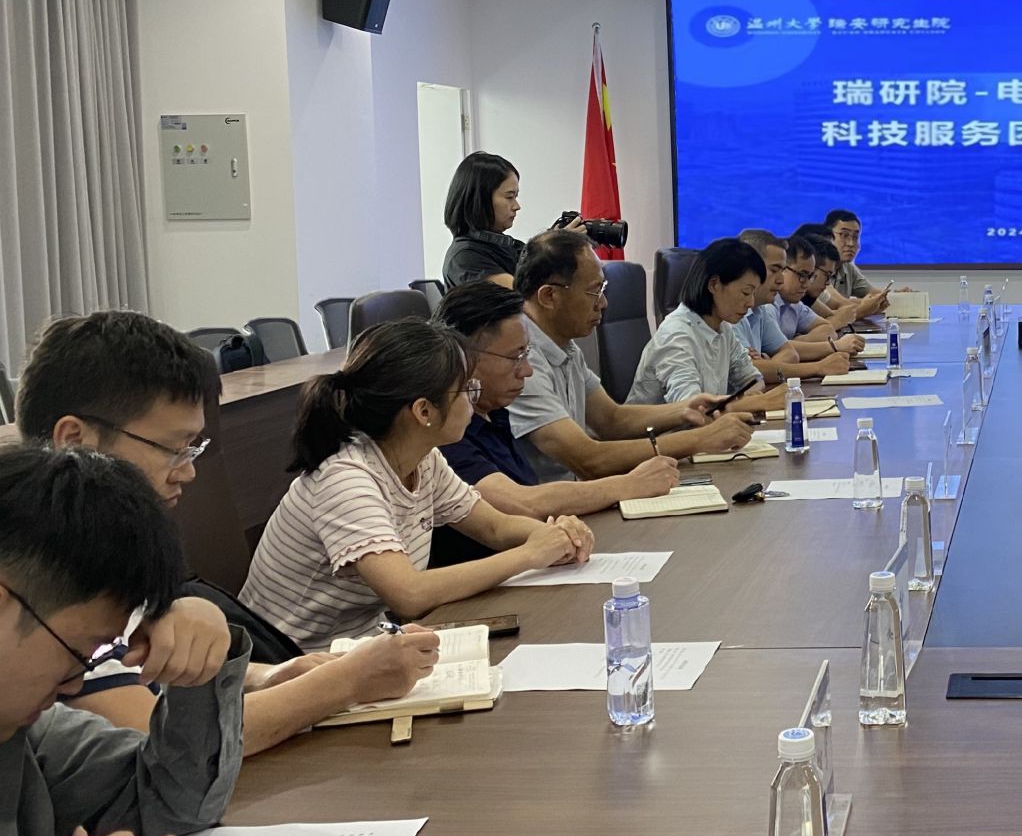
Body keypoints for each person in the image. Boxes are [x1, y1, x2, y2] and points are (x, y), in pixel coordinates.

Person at [15, 312, 441, 749]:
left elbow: (144, 677)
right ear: (75, 441)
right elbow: (159, 745)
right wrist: (347, 681)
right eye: (172, 448)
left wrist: (268, 676)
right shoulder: (42, 577)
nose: (188, 472)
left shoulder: (114, 550)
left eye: (192, 448)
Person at [0, 447, 247, 836]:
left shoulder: (23, 732)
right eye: (78, 651)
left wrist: (198, 669)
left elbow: (170, 807)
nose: (75, 686)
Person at [239, 319, 591, 648]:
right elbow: (409, 594)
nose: (473, 399)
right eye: (466, 389)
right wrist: (529, 554)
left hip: (363, 646)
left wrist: (556, 536)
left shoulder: (424, 460)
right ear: (424, 412)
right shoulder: (346, 480)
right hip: (296, 660)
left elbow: (495, 527)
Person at [433, 281, 682, 561]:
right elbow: (519, 503)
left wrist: (554, 531)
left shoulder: (496, 412)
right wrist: (631, 484)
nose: (527, 371)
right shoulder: (444, 433)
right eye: (515, 357)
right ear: (465, 359)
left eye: (526, 355)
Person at [511, 230, 755, 482]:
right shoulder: (521, 360)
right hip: (555, 503)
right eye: (594, 291)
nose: (603, 303)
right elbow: (588, 460)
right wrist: (700, 438)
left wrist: (685, 409)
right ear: (549, 296)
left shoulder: (565, 346)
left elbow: (612, 419)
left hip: (581, 493)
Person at [629, 238, 789, 417]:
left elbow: (754, 379)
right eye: (745, 292)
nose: (751, 302)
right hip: (660, 434)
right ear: (714, 284)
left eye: (753, 293)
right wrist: (757, 402)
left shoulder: (723, 328)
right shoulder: (676, 335)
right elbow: (692, 410)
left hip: (706, 430)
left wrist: (746, 400)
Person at [735, 230, 863, 379]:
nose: (780, 280)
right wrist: (819, 366)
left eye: (782, 270)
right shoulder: (732, 314)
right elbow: (746, 373)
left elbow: (791, 353)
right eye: (774, 270)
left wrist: (768, 366)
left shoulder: (760, 309)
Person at [441, 151, 530, 289]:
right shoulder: (465, 258)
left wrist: (554, 245)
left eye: (515, 197)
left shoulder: (504, 246)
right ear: (480, 200)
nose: (516, 206)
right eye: (509, 197)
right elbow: (528, 297)